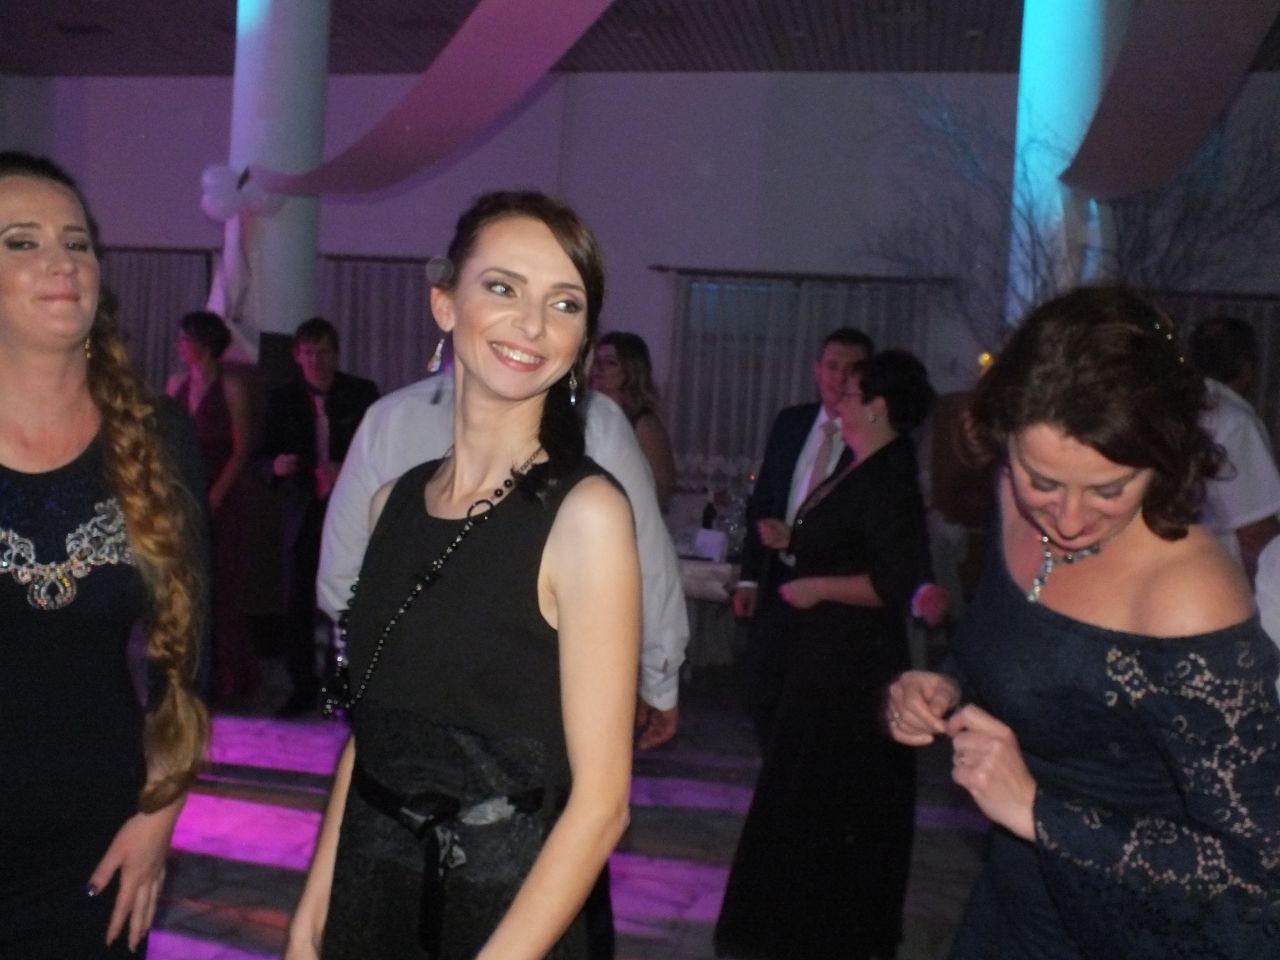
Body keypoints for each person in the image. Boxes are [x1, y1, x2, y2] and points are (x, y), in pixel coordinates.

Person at [286, 191, 640, 960]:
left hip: (503, 909)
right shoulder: (391, 503)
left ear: (582, 340)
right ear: (445, 303)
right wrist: (310, 918)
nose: (532, 324)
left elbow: (602, 805)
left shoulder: (586, 516)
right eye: (503, 287)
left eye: (564, 303)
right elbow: (373, 736)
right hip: (370, 887)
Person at [887, 286, 1280, 959]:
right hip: (1013, 906)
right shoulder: (1011, 495)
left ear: (1163, 459)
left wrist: (1038, 811)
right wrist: (945, 686)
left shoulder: (1189, 596)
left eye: (1109, 489)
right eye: (1043, 481)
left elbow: (1256, 870)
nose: (1067, 520)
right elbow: (1011, 651)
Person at [0, 151, 209, 956]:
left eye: (77, 242)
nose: (61, 262)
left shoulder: (157, 438)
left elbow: (187, 656)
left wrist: (158, 817)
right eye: (23, 242)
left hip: (98, 840)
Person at [714, 350, 935, 960]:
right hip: (826, 655)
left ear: (878, 407)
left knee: (830, 794)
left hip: (854, 664)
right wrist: (794, 539)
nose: (839, 402)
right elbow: (847, 538)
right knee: (804, 790)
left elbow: (894, 579)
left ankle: (822, 932)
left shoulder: (890, 474)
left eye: (852, 394)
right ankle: (791, 926)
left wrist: (818, 587)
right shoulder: (862, 464)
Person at [732, 326, 873, 745]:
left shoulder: (870, 439)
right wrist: (749, 578)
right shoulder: (792, 422)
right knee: (763, 692)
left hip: (834, 589)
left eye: (851, 369)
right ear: (817, 370)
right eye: (832, 366)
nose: (839, 378)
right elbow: (764, 502)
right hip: (779, 579)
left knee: (819, 706)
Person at [256, 317, 379, 716]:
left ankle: (340, 683)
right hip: (303, 510)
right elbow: (261, 457)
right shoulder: (283, 398)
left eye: (323, 352)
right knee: (298, 602)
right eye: (308, 353)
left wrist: (349, 467)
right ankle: (302, 685)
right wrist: (275, 467)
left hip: (349, 511)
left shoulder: (361, 394)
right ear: (297, 356)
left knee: (346, 599)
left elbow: (379, 450)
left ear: (336, 354)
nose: (316, 361)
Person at [166, 310, 255, 701]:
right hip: (183, 497)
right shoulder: (176, 384)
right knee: (185, 587)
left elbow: (242, 448)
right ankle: (188, 674)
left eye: (185, 339)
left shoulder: (232, 386)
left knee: (221, 585)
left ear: (202, 344)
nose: (180, 345)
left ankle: (227, 680)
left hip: (222, 497)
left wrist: (216, 494)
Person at [1187, 315, 1280, 579]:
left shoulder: (1182, 408)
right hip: (1222, 576)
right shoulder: (1234, 422)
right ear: (1247, 366)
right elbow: (1255, 532)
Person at [590, 330, 677, 509]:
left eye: (610, 363)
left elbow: (663, 489)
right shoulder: (590, 414)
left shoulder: (643, 423)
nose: (599, 368)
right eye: (597, 361)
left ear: (631, 371)